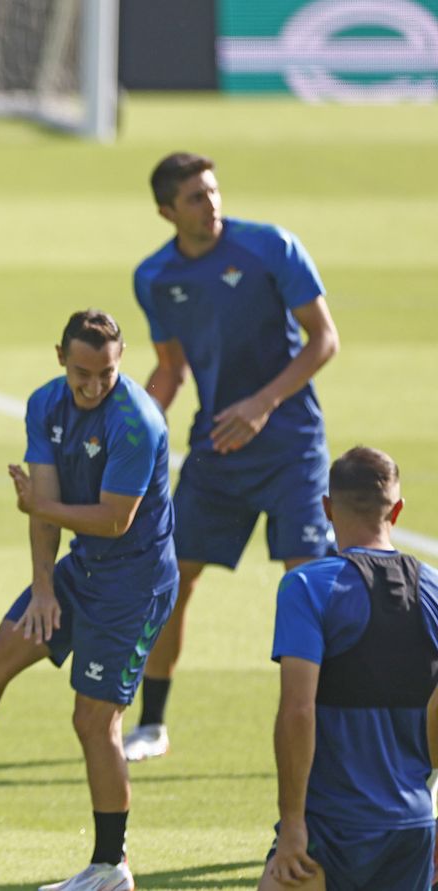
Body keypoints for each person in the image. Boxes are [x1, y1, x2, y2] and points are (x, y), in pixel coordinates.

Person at [0, 311, 176, 891]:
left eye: (106, 372)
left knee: (93, 719)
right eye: (83, 371)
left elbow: (113, 518)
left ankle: (111, 868)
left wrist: (38, 508)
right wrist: (43, 587)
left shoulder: (137, 423)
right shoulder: (44, 404)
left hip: (135, 587)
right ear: (61, 357)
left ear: (120, 360)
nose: (94, 384)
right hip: (82, 570)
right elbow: (47, 504)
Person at [125, 152, 340, 762]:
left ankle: (329, 724)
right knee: (173, 580)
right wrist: (130, 434)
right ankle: (152, 724)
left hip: (290, 444)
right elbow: (170, 371)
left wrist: (263, 404)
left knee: (307, 584)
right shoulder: (155, 277)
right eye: (194, 197)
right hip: (218, 448)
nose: (210, 203)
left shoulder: (271, 247)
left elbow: (324, 339)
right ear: (167, 211)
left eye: (212, 191)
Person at [261, 447, 438, 891]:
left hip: (332, 827)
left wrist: (293, 823)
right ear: (396, 510)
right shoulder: (436, 590)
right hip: (412, 827)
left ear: (326, 507)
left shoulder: (307, 587)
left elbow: (297, 712)